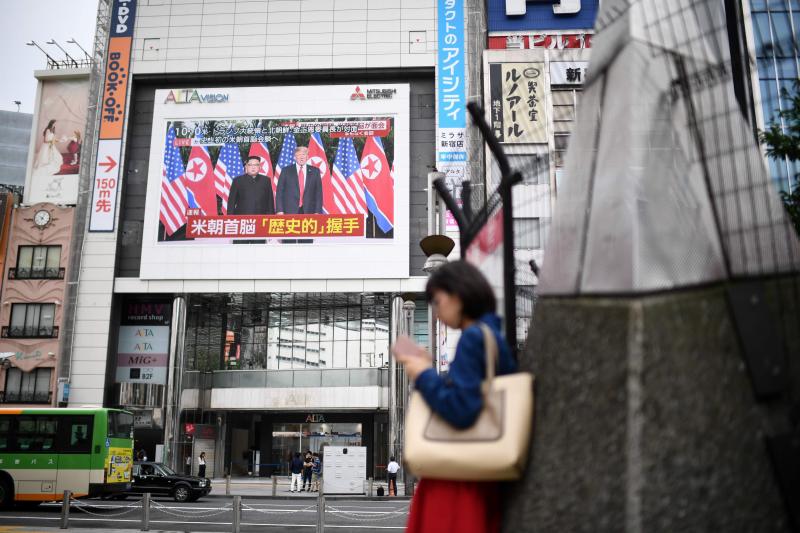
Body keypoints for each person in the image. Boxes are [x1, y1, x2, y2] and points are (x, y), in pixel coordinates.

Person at [394, 260, 516, 533]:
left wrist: (423, 374)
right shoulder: (492, 335)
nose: (436, 312)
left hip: (460, 475)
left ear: (458, 296)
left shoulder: (472, 338)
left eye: (437, 302)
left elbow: (462, 409)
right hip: (481, 469)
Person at [275, 146, 323, 215]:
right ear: (294, 157)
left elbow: (318, 193)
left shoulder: (315, 171)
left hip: (309, 211)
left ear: (307, 157)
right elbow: (279, 192)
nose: (301, 157)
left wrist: (317, 211)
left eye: (303, 154)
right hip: (289, 210)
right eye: (299, 155)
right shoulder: (286, 171)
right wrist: (279, 210)